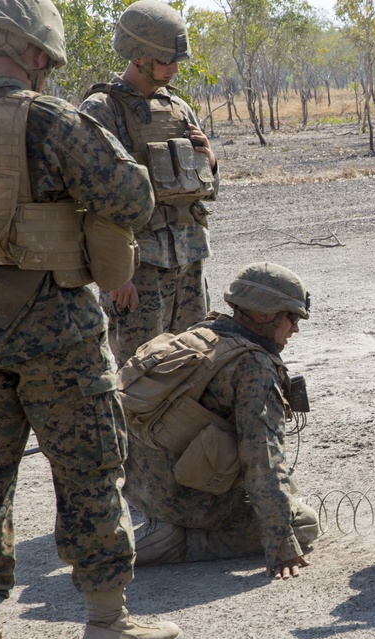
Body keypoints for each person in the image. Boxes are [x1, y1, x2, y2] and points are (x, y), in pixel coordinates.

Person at [0, 0, 182, 639]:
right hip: (57, 335)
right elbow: (131, 196)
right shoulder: (51, 119)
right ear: (36, 50)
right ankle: (105, 624)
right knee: (90, 473)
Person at [119, 262, 320, 581]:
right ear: (266, 315)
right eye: (291, 317)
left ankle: (164, 523)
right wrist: (281, 542)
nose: (295, 328)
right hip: (183, 498)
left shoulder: (203, 333)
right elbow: (262, 461)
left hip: (140, 487)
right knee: (305, 523)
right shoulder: (254, 368)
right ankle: (180, 541)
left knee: (284, 493)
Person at [80, 0, 217, 366]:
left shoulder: (178, 108)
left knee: (193, 364)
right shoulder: (100, 110)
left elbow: (203, 187)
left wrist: (209, 159)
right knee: (140, 370)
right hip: (138, 269)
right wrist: (116, 274)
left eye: (175, 60)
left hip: (189, 259)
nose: (173, 68)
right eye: (165, 60)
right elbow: (93, 200)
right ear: (138, 56)